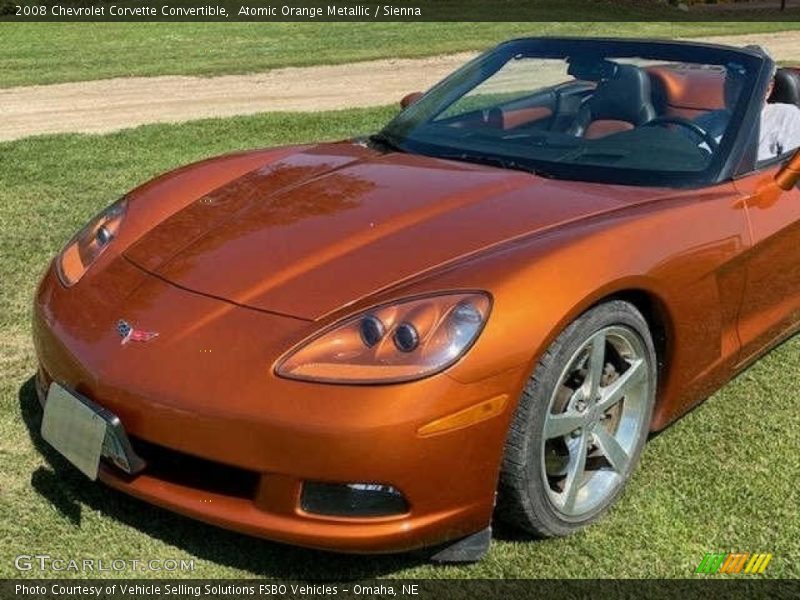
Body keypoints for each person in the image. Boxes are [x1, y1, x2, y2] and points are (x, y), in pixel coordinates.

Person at [695, 45, 800, 162]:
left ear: (768, 89)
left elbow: (792, 172)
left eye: (743, 85)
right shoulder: (704, 122)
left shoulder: (787, 118)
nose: (733, 91)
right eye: (730, 81)